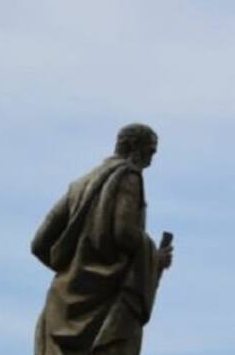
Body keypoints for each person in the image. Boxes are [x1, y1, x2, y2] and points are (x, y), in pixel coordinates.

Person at [31, 124, 174, 355]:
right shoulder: (128, 176)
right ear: (132, 147)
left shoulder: (79, 186)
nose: (151, 160)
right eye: (150, 151)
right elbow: (124, 232)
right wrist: (153, 257)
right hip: (107, 307)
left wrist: (73, 268)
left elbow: (39, 244)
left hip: (59, 309)